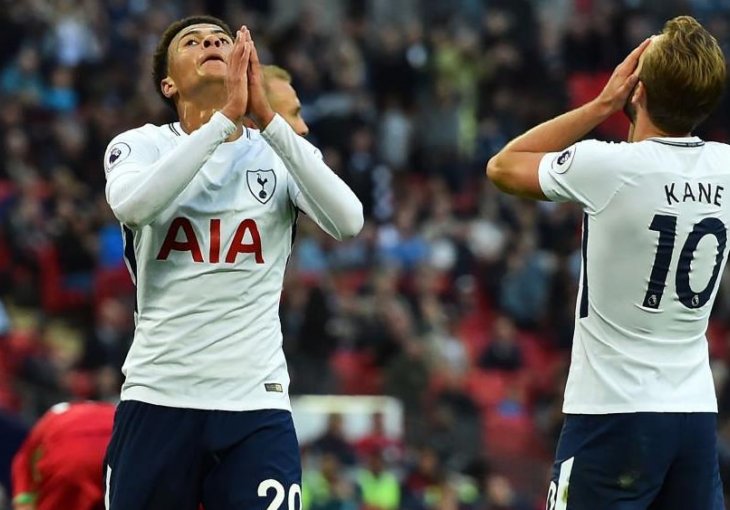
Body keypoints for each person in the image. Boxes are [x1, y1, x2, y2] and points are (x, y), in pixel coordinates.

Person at [101, 15, 363, 510]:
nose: (210, 44)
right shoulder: (141, 144)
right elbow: (134, 205)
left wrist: (268, 119)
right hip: (159, 395)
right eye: (193, 42)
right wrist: (225, 121)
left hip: (255, 403)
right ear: (168, 83)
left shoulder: (277, 151)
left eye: (222, 39)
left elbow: (349, 221)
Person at [487, 16, 727, 510]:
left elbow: (504, 166)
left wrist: (601, 104)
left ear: (636, 89)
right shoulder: (725, 167)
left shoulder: (610, 166)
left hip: (613, 414)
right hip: (694, 414)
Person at [11, 402, 115, 510]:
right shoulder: (109, 409)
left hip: (69, 461)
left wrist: (23, 499)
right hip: (115, 459)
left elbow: (22, 463)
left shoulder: (49, 419)